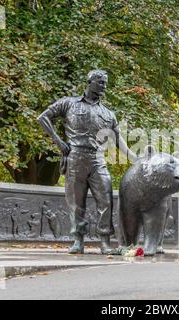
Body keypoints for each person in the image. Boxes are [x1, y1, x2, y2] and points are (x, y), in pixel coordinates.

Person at [38, 70, 137, 254]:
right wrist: (59, 142)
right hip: (75, 157)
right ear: (89, 82)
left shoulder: (108, 113)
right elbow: (43, 117)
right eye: (100, 82)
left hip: (98, 159)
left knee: (106, 199)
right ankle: (78, 241)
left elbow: (117, 139)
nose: (103, 86)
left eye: (105, 83)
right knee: (76, 203)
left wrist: (133, 158)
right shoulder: (68, 103)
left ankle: (105, 243)